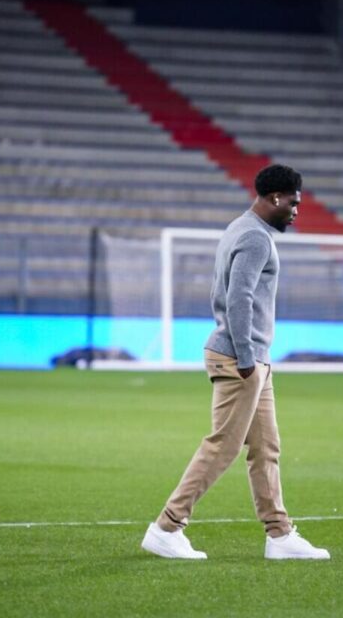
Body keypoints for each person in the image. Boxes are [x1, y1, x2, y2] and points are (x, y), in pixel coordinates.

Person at [141, 164, 330, 560]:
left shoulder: (241, 228)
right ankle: (167, 527)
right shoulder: (255, 238)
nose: (297, 211)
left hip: (252, 357)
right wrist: (246, 356)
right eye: (294, 203)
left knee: (266, 447)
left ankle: (279, 535)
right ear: (275, 197)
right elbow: (239, 297)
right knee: (223, 445)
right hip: (239, 357)